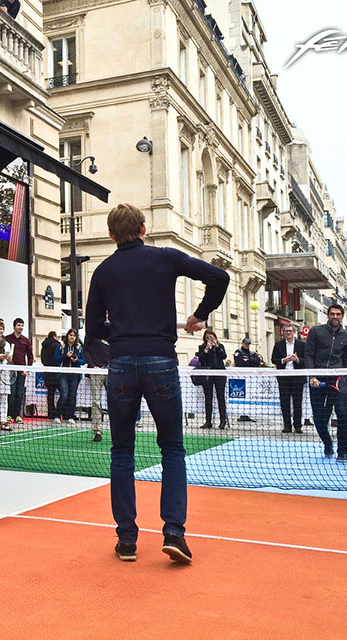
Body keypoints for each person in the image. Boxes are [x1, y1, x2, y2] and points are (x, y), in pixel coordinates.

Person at [85, 203, 229, 564]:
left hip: (121, 363)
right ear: (144, 228)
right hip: (160, 360)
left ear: (111, 234)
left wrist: (118, 332)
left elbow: (91, 329)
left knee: (122, 452)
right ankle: (174, 533)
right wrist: (199, 315)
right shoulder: (166, 258)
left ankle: (127, 540)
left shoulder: (103, 270)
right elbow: (219, 278)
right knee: (172, 449)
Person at [307, 304, 347, 460]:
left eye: (338, 314)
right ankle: (328, 444)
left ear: (342, 316)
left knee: (342, 413)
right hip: (318, 378)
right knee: (318, 418)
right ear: (328, 315)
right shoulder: (316, 331)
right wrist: (312, 376)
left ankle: (343, 451)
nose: (335, 316)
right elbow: (308, 355)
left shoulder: (346, 336)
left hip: (338, 379)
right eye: (332, 314)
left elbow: (346, 360)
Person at [271, 324, 306, 434]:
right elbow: (273, 359)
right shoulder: (278, 344)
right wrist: (283, 360)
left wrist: (297, 360)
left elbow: (307, 360)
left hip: (297, 378)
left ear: (294, 332)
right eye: (286, 331)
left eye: (290, 331)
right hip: (283, 377)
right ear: (283, 332)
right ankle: (287, 425)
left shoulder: (302, 344)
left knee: (297, 402)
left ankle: (297, 425)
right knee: (284, 402)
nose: (288, 333)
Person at [195, 329, 227, 430]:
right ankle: (208, 421)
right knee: (208, 398)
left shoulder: (220, 346)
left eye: (211, 337)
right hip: (208, 375)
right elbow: (201, 359)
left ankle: (223, 420)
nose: (210, 339)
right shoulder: (202, 347)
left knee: (220, 397)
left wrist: (216, 346)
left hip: (220, 374)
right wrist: (207, 349)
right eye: (208, 337)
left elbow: (223, 356)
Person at [5, 317, 33, 425]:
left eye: (22, 325)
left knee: (20, 393)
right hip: (10, 370)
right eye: (18, 325)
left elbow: (30, 356)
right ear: (14, 326)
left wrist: (28, 369)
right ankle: (9, 415)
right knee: (11, 393)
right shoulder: (7, 339)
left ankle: (17, 415)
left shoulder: (26, 340)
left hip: (22, 371)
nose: (20, 327)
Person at [55, 329, 85, 425]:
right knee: (64, 394)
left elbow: (83, 361)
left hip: (75, 375)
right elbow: (56, 359)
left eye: (74, 335)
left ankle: (70, 416)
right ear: (67, 336)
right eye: (70, 335)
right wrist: (65, 356)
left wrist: (77, 361)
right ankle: (57, 415)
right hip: (63, 374)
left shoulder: (79, 347)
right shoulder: (61, 347)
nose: (72, 337)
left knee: (72, 395)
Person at [84, 331, 110, 442]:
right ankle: (97, 431)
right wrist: (92, 365)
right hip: (96, 371)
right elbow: (85, 351)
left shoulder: (115, 330)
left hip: (111, 371)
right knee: (96, 402)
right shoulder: (92, 331)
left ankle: (117, 431)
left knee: (116, 402)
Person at [233, 337, 262, 422]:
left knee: (250, 394)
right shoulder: (238, 352)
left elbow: (258, 361)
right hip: (241, 377)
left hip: (251, 377)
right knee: (242, 395)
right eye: (246, 344)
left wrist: (249, 360)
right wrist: (249, 361)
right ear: (242, 343)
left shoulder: (252, 353)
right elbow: (239, 362)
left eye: (248, 344)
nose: (247, 345)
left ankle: (248, 413)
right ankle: (243, 414)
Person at [40, 331, 61, 421]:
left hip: (47, 371)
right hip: (56, 372)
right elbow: (58, 359)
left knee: (50, 393)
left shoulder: (43, 347)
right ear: (55, 337)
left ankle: (51, 412)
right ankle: (61, 412)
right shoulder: (56, 346)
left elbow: (42, 360)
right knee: (64, 392)